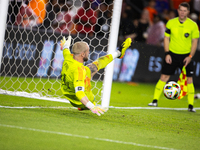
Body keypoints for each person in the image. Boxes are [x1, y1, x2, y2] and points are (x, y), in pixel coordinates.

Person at [60, 36, 132, 116]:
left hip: (69, 95)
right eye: (88, 51)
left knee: (93, 66)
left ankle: (118, 53)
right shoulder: (79, 71)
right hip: (82, 101)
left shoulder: (68, 57)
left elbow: (65, 49)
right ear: (83, 54)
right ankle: (84, 105)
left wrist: (65, 45)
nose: (89, 53)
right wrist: (92, 106)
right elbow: (79, 93)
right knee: (94, 66)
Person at [148, 2, 199, 112]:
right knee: (164, 77)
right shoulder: (171, 23)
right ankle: (154, 101)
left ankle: (190, 106)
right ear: (178, 10)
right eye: (180, 10)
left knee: (189, 80)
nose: (182, 12)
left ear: (188, 12)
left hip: (186, 56)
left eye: (185, 11)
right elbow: (166, 38)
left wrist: (190, 56)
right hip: (172, 54)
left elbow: (195, 42)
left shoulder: (193, 25)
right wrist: (167, 54)